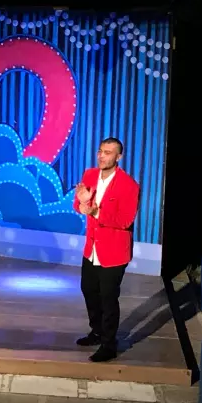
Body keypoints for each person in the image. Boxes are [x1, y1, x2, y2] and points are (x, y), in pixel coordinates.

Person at [73, 137, 139, 363]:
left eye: (108, 153)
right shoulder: (90, 174)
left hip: (114, 251)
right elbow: (78, 204)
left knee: (108, 298)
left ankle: (109, 344)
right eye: (100, 151)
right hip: (91, 248)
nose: (102, 156)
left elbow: (125, 220)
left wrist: (94, 211)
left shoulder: (129, 185)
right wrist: (83, 204)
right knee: (88, 290)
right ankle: (97, 331)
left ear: (119, 157)